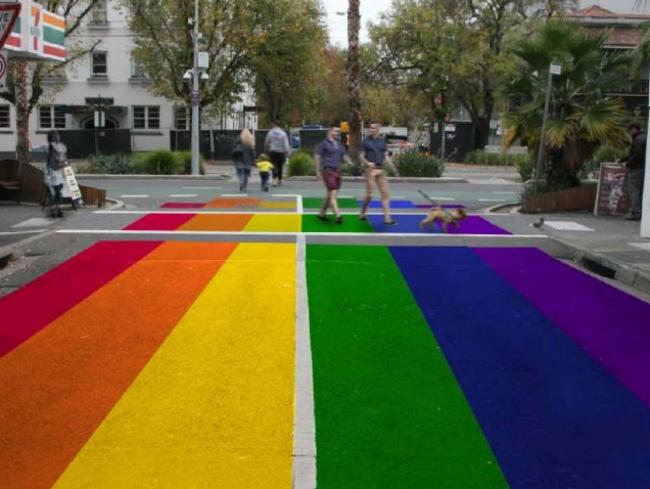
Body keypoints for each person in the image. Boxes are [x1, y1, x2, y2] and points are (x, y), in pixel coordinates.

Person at [359, 123, 399, 225]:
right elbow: (361, 156)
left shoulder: (382, 141)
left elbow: (386, 156)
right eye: (370, 128)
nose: (370, 129)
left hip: (380, 170)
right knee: (370, 195)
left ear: (378, 130)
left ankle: (387, 218)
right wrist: (367, 163)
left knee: (385, 194)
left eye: (373, 128)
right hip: (370, 170)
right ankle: (363, 213)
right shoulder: (365, 142)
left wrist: (393, 167)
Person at [315, 126, 352, 224]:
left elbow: (344, 155)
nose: (337, 133)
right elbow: (317, 156)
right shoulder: (324, 144)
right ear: (330, 131)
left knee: (330, 195)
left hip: (337, 172)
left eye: (338, 132)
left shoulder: (340, 145)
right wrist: (318, 171)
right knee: (333, 195)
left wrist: (350, 162)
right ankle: (338, 215)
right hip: (328, 171)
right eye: (335, 131)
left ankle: (322, 213)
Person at [622, 122, 646, 221]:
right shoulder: (644, 138)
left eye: (630, 130)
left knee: (634, 190)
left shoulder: (638, 140)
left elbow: (637, 155)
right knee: (640, 191)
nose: (630, 133)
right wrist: (623, 158)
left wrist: (628, 165)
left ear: (634, 129)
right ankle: (640, 212)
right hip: (643, 168)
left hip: (636, 169)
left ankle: (635, 212)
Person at [45, 130, 67, 218]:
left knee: (51, 191)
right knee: (59, 191)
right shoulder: (61, 146)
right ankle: (59, 209)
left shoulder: (46, 146)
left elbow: (32, 147)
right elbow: (63, 159)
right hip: (59, 171)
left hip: (49, 171)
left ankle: (53, 209)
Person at [265, 121, 290, 187]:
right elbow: (286, 144)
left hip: (273, 151)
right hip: (281, 152)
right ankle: (280, 180)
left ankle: (274, 180)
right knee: (280, 166)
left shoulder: (270, 132)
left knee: (273, 165)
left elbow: (267, 141)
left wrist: (266, 148)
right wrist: (287, 151)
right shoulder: (283, 133)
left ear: (274, 125)